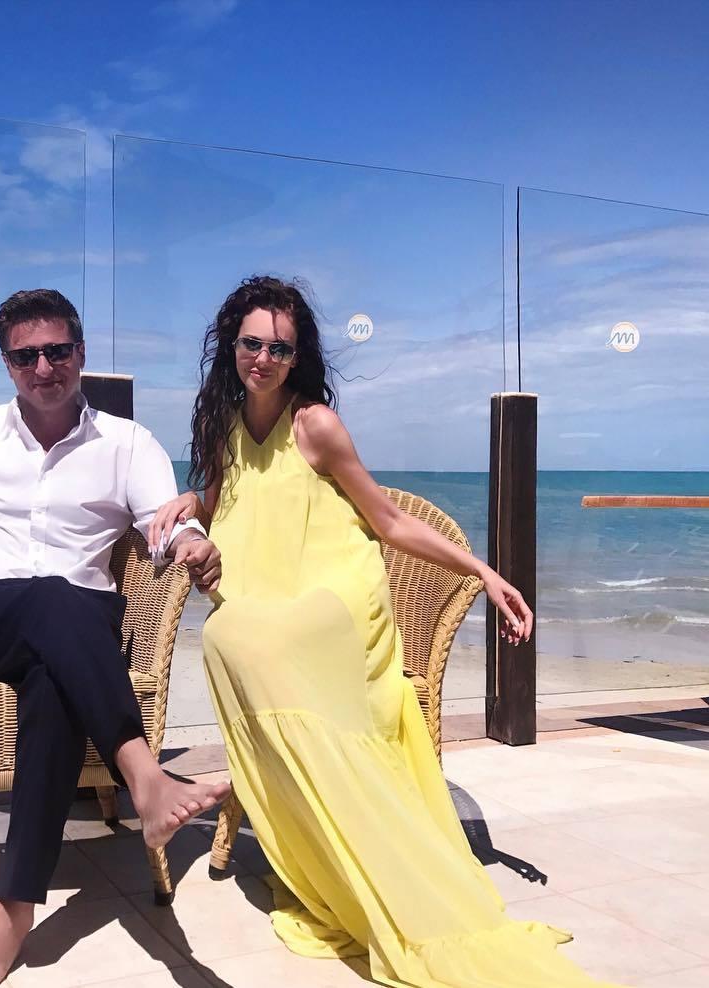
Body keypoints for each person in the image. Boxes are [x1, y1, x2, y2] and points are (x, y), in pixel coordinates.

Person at [148, 275, 626, 987]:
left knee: (236, 636)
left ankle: (338, 825)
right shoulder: (224, 424)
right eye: (252, 344)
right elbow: (226, 500)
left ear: (299, 355)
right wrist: (190, 499)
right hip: (272, 600)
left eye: (281, 348)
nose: (264, 359)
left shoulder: (315, 425)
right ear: (231, 346)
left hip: (336, 603)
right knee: (228, 637)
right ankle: (310, 826)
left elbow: (388, 520)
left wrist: (483, 572)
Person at [0, 289, 230, 988]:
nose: (43, 367)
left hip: (80, 629)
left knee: (54, 672)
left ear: (81, 353)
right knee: (52, 597)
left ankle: (11, 918)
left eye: (57, 351)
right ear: (6, 364)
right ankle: (142, 774)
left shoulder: (126, 443)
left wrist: (191, 542)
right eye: (25, 356)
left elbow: (165, 522)